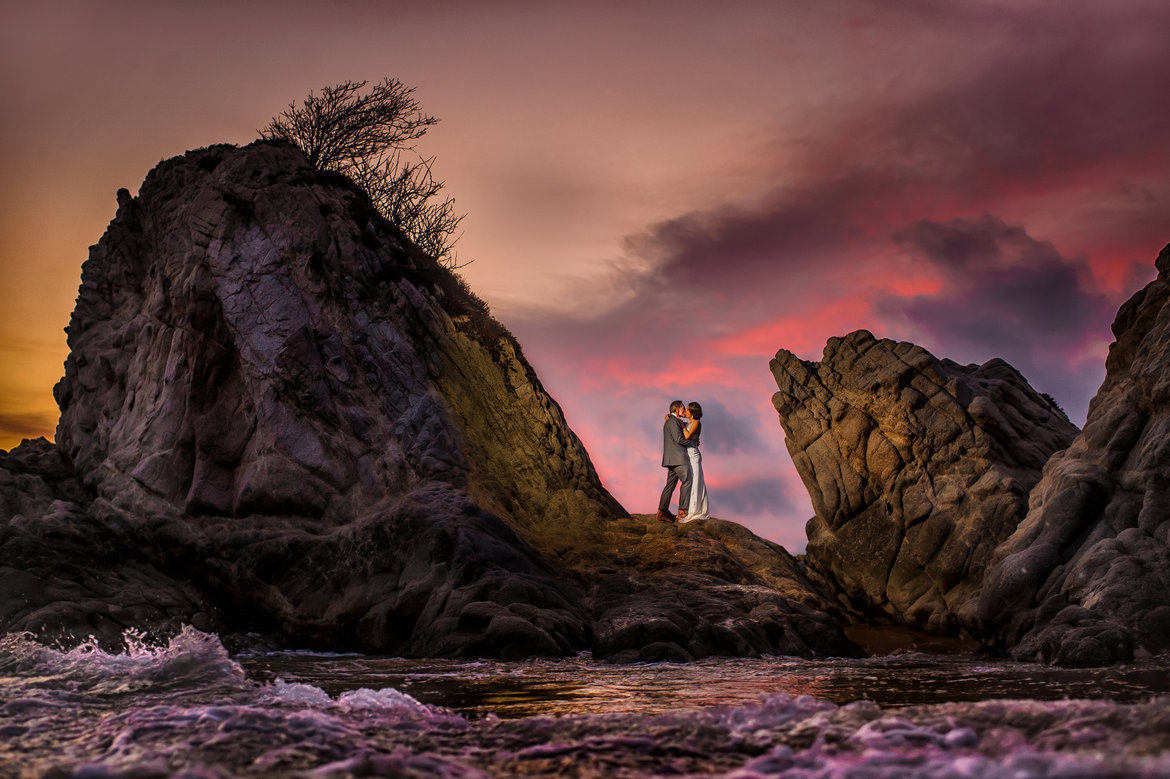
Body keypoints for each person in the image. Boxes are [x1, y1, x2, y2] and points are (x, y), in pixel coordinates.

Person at [656, 400, 691, 522]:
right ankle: (682, 512)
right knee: (687, 481)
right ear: (677, 409)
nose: (684, 410)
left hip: (671, 459)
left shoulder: (671, 420)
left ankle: (662, 512)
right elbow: (679, 439)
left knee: (670, 486)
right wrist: (693, 443)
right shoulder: (673, 421)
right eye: (683, 408)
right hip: (679, 458)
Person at [679, 401, 708, 522]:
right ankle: (692, 508)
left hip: (694, 455)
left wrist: (681, 425)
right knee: (691, 481)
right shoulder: (690, 422)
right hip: (688, 454)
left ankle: (696, 510)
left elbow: (687, 436)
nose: (686, 411)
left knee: (696, 481)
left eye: (688, 409)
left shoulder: (696, 423)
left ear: (692, 412)